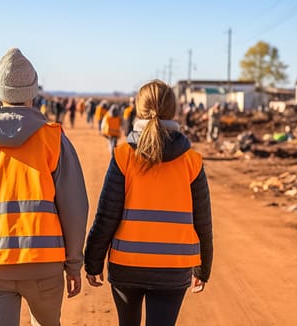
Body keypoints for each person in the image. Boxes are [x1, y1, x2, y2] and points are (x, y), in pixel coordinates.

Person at [0, 48, 89, 326]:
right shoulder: (53, 139)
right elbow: (75, 208)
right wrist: (74, 264)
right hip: (44, 264)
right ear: (33, 91)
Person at [84, 80, 213, 326]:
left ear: (138, 109)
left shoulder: (123, 156)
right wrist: (203, 268)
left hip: (127, 265)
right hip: (173, 268)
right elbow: (203, 222)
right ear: (173, 111)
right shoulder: (192, 161)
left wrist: (93, 261)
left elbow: (107, 215)